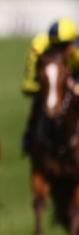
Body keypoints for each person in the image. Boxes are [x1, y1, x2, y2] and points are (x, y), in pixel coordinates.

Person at [20, 17, 79, 154]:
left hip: (74, 78)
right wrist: (48, 88)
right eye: (55, 46)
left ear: (72, 43)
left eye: (64, 46)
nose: (59, 52)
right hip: (50, 83)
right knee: (39, 104)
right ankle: (29, 138)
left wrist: (74, 86)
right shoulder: (39, 48)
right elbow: (28, 85)